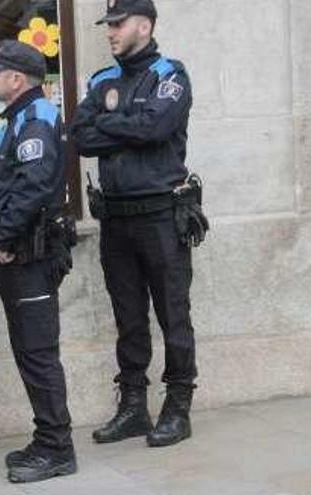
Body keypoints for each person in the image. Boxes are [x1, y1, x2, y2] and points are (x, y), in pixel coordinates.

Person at [71, 0, 203, 448]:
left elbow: (155, 127)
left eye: (117, 23)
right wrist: (125, 124)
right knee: (128, 318)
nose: (109, 32)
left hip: (161, 215)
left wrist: (110, 122)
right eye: (108, 24)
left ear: (143, 26)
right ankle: (132, 407)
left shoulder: (170, 75)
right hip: (117, 220)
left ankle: (178, 404)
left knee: (173, 314)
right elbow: (80, 137)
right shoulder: (102, 79)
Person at [0, 40, 77, 483]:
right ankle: (47, 438)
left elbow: (32, 189)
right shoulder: (24, 119)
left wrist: (8, 237)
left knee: (37, 352)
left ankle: (57, 448)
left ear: (16, 79)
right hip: (26, 253)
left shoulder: (35, 122)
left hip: (31, 255)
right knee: (30, 350)